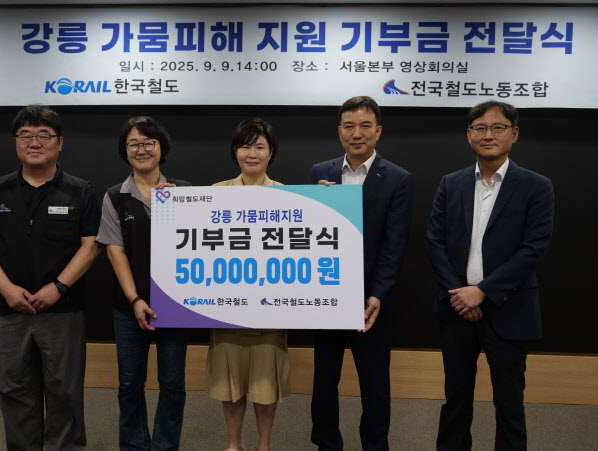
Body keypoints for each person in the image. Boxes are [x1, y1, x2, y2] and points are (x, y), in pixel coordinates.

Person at [0, 104, 101, 450]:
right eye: (25, 135)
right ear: (16, 142)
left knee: (65, 391)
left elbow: (91, 246)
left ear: (60, 142)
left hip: (63, 311)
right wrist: (7, 290)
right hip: (10, 311)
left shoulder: (80, 190)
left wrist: (58, 287)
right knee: (12, 389)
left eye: (44, 134)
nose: (34, 142)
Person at [427, 101, 554, 451]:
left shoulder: (536, 186)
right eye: (480, 128)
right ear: (469, 135)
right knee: (455, 400)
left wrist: (481, 292)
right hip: (456, 309)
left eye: (498, 128)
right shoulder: (451, 183)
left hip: (509, 310)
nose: (488, 135)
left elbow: (533, 248)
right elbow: (435, 241)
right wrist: (460, 293)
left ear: (514, 134)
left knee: (509, 404)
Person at [308, 96, 413, 451]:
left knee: (374, 384)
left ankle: (375, 445)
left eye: (365, 126)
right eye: (349, 126)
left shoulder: (398, 178)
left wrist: (377, 293)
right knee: (324, 380)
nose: (357, 133)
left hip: (371, 301)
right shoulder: (320, 173)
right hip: (327, 295)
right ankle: (326, 444)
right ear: (339, 131)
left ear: (378, 131)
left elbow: (394, 245)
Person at [96, 116, 190, 451]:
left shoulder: (185, 192)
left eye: (149, 142)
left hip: (175, 308)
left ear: (162, 147)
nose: (141, 149)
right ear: (125, 150)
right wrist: (135, 299)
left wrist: (182, 206)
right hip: (129, 308)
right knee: (130, 384)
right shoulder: (114, 196)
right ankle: (134, 445)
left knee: (173, 385)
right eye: (133, 144)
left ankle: (165, 446)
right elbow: (115, 251)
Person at [206, 118, 291, 451]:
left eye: (260, 146)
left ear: (271, 153)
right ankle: (234, 444)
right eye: (245, 146)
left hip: (270, 309)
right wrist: (168, 201)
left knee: (266, 383)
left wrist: (328, 201)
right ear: (235, 152)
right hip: (226, 308)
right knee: (230, 381)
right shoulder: (214, 193)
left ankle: (263, 445)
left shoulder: (288, 196)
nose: (252, 153)